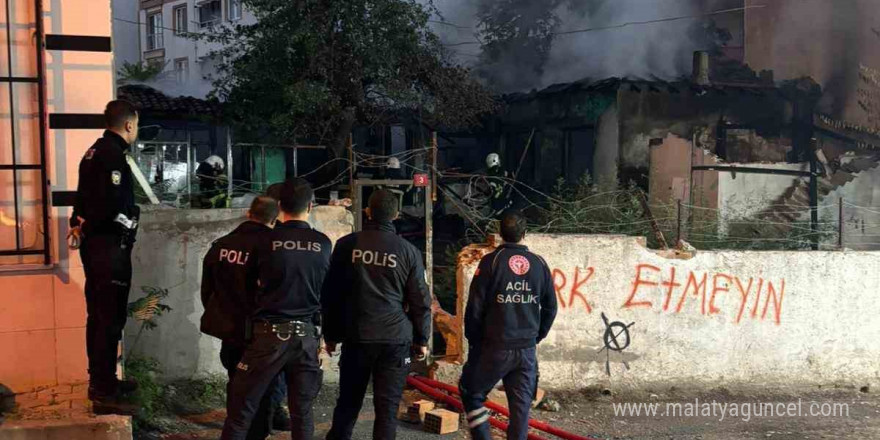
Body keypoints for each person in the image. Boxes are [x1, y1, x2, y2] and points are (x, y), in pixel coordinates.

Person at [221, 178, 331, 440]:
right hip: (306, 338)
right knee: (302, 413)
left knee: (241, 411)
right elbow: (328, 293)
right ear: (311, 206)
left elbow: (246, 288)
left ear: (279, 206)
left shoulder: (265, 241)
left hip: (268, 337)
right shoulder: (323, 243)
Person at [322, 189, 432, 440]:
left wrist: (331, 335)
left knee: (348, 404)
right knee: (387, 411)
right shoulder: (408, 251)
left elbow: (331, 294)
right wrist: (422, 339)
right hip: (394, 339)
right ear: (395, 215)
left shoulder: (347, 245)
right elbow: (420, 300)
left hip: (357, 337)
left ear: (368, 212)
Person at [68, 100, 141, 414]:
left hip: (96, 246)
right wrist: (132, 224)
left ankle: (105, 381)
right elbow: (112, 208)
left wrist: (78, 223)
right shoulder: (112, 156)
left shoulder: (93, 151)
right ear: (128, 124)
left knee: (100, 316)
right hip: (109, 248)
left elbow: (82, 200)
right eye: (136, 125)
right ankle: (103, 392)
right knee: (108, 319)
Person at [459, 209, 558, 440]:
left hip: (495, 347)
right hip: (526, 350)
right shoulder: (539, 264)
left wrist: (474, 343)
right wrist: (536, 337)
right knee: (520, 411)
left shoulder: (491, 262)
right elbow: (551, 308)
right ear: (525, 233)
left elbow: (474, 308)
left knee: (470, 391)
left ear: (500, 233)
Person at [200, 196, 281, 440]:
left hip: (229, 328)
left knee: (235, 380)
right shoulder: (273, 247)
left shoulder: (221, 245)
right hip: (260, 331)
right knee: (264, 386)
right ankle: (257, 432)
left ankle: (235, 427)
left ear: (248, 213)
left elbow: (207, 291)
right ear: (274, 219)